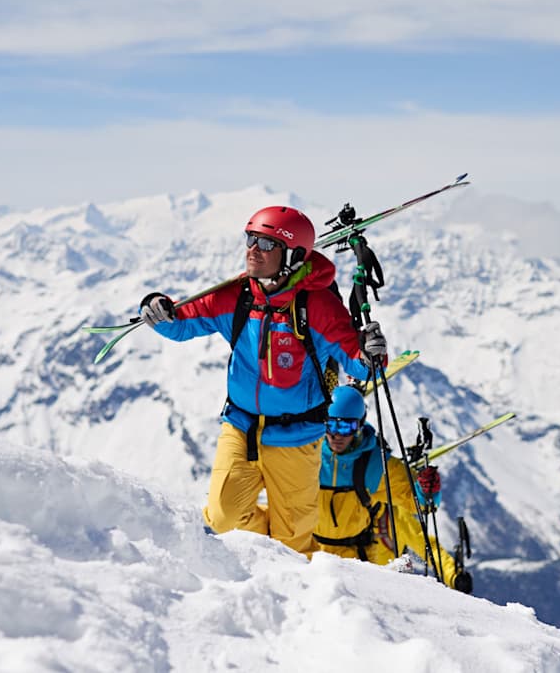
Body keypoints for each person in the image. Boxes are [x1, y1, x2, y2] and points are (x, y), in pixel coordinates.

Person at [138, 206, 388, 556]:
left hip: (297, 436)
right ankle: (264, 544)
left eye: (266, 243)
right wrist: (157, 307)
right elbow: (182, 322)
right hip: (240, 427)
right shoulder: (237, 296)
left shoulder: (317, 307)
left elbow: (357, 363)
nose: (252, 249)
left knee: (293, 543)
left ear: (293, 256)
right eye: (250, 239)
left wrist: (371, 353)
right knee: (222, 518)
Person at [314, 386, 473, 593]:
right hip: (312, 554)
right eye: (330, 426)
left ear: (359, 427)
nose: (336, 435)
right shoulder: (309, 452)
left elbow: (418, 511)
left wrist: (427, 493)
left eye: (346, 427)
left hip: (360, 565)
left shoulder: (374, 468)